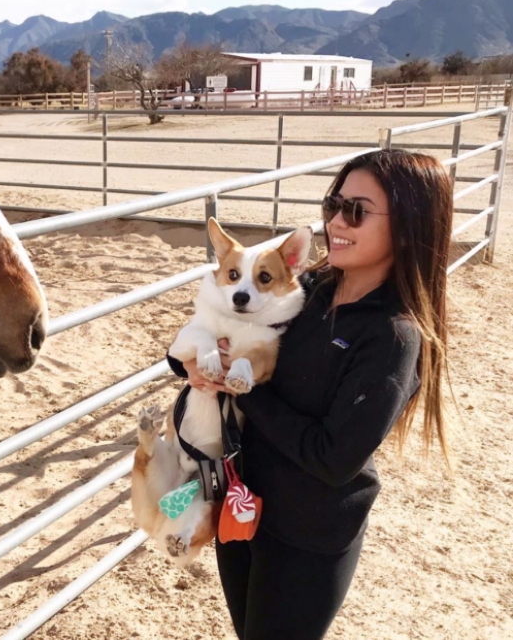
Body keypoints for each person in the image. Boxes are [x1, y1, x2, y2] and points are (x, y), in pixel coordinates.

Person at [167, 149, 454, 640]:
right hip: (243, 501)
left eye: (357, 211)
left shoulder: (392, 336)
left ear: (408, 226)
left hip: (307, 534)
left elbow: (333, 458)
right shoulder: (310, 289)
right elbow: (219, 326)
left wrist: (243, 389)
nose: (336, 222)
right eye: (333, 203)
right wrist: (188, 359)